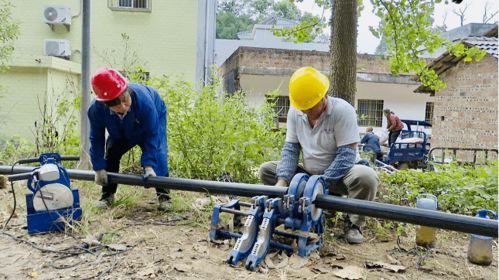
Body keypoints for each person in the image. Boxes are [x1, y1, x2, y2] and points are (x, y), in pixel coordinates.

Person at [258, 67, 379, 244]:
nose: (305, 111)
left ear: (323, 96)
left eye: (309, 107)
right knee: (267, 170)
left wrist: (320, 183)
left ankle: (354, 224)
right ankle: (302, 209)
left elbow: (346, 155)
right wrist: (282, 181)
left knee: (366, 177)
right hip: (309, 174)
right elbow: (291, 149)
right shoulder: (295, 112)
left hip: (342, 175)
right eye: (302, 107)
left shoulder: (343, 111)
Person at [87, 67, 171, 211]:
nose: (125, 107)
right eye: (119, 107)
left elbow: (152, 134)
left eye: (126, 100)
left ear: (126, 90)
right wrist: (98, 167)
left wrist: (149, 165)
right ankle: (107, 195)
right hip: (120, 128)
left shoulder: (145, 103)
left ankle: (164, 196)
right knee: (112, 152)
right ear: (106, 105)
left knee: (159, 153)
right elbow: (96, 139)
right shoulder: (96, 110)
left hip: (150, 120)